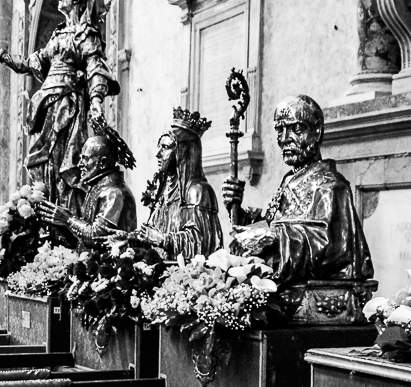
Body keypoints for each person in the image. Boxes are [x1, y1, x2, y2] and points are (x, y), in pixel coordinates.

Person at [0, 0, 119, 210]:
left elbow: (95, 68)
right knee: (41, 159)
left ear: (75, 0)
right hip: (46, 103)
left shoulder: (86, 34)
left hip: (67, 102)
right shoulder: (57, 35)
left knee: (64, 157)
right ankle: (45, 205)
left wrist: (96, 101)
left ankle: (65, 210)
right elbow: (30, 63)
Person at [228, 94, 374, 289]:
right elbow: (273, 225)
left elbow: (331, 246)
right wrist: (238, 211)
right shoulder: (289, 180)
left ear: (317, 131)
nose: (285, 139)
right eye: (280, 130)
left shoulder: (331, 186)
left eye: (296, 129)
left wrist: (275, 237)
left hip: (320, 297)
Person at [136, 109, 224, 259]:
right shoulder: (164, 190)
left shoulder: (197, 191)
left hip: (187, 276)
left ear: (182, 152)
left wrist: (163, 240)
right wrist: (130, 237)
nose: (158, 153)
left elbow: (199, 241)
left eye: (165, 148)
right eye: (159, 147)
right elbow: (151, 233)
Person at [37, 134, 136, 249]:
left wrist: (68, 219)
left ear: (102, 163)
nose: (80, 164)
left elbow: (97, 237)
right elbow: (83, 240)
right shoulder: (98, 189)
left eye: (85, 158)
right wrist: (60, 224)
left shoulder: (113, 193)